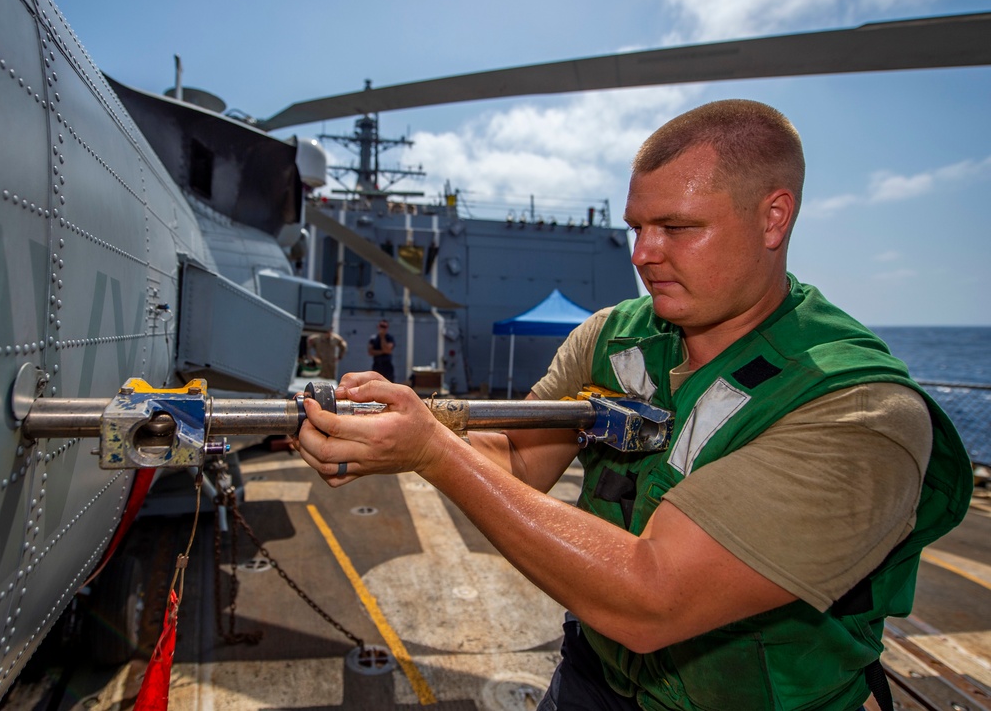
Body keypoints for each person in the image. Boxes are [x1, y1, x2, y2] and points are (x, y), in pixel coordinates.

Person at [294, 100, 972, 710]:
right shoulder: (613, 337)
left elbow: (653, 596)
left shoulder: (859, 411)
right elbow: (516, 459)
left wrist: (434, 452)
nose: (644, 255)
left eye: (677, 227)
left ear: (774, 217)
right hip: (596, 676)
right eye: (637, 228)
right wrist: (388, 434)